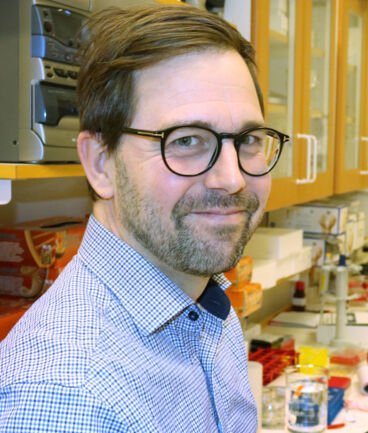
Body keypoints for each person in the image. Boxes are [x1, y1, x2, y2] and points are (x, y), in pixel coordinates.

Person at [0, 5, 287, 432]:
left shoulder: (205, 303)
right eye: (187, 140)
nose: (232, 179)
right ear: (101, 164)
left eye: (247, 140)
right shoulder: (67, 394)